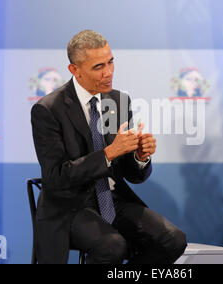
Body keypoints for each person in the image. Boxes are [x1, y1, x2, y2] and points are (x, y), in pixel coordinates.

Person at [31, 30, 187, 264]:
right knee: (112, 245)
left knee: (173, 239)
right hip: (69, 206)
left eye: (111, 62)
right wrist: (109, 153)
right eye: (98, 67)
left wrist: (139, 156)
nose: (108, 72)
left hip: (112, 197)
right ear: (75, 70)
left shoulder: (118, 101)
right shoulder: (48, 110)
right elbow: (56, 177)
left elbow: (132, 175)